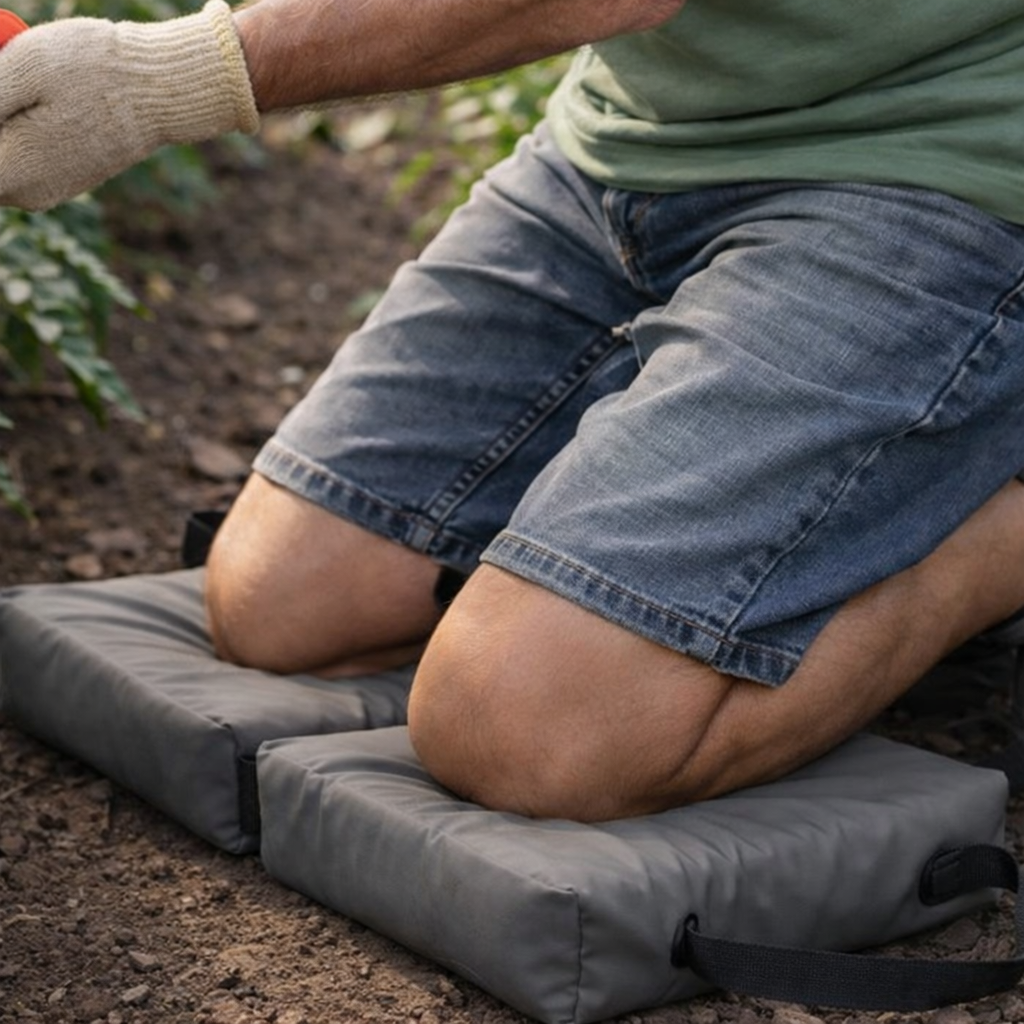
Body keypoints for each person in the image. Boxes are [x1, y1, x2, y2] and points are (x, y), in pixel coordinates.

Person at [3, 0, 1024, 823]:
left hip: (942, 168)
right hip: (633, 141)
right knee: (286, 601)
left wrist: (171, 79)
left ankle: (994, 535)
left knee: (524, 728)